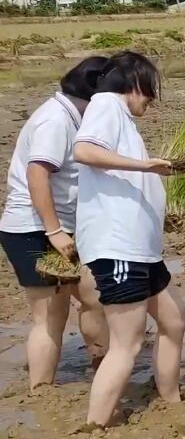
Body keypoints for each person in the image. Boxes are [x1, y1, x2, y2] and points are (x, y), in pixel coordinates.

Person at [72, 51, 185, 427]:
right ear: (135, 83)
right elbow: (84, 151)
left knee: (173, 320)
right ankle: (96, 426)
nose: (151, 102)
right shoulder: (106, 105)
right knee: (128, 344)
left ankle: (171, 400)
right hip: (119, 248)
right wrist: (145, 165)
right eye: (150, 92)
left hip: (141, 250)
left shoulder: (120, 116)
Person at [0, 57, 110, 390]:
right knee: (50, 315)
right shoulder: (55, 121)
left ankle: (103, 367)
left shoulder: (73, 118)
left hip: (62, 225)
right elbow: (38, 176)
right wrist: (55, 231)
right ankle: (42, 390)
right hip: (33, 229)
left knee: (94, 296)